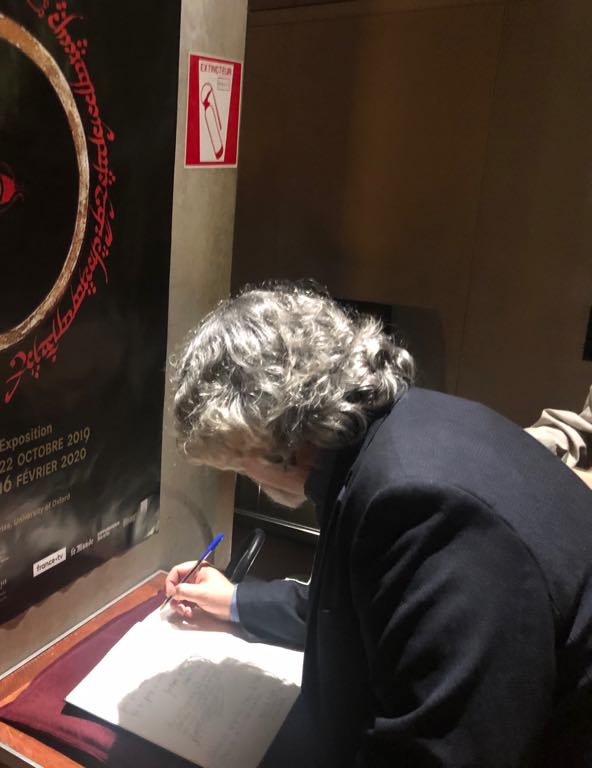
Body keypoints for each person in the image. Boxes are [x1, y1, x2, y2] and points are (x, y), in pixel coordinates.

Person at [165, 283, 592, 767]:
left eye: (238, 465)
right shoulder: (410, 425)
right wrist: (234, 601)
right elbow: (360, 607)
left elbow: (435, 751)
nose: (249, 479)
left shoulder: (421, 507)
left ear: (271, 446)